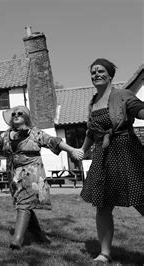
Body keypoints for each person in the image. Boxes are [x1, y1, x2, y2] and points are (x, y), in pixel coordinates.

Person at [0, 105, 82, 250]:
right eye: (13, 114)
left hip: (32, 172)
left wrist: (72, 150)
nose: (16, 115)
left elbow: (54, 142)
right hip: (13, 174)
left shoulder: (34, 133)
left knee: (23, 204)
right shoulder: (5, 135)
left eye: (20, 113)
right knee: (24, 204)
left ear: (26, 117)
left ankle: (16, 241)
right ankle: (39, 237)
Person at [78, 58, 144, 263]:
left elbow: (138, 109)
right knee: (103, 205)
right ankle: (104, 253)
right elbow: (92, 131)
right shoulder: (93, 101)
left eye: (100, 71)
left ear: (110, 75)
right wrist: (82, 149)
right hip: (103, 156)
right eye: (93, 72)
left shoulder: (122, 95)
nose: (96, 74)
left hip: (126, 150)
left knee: (141, 199)